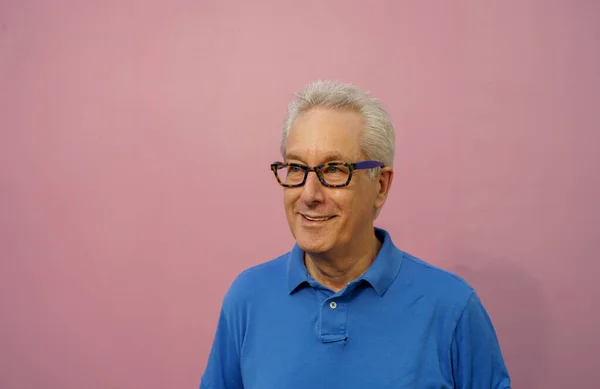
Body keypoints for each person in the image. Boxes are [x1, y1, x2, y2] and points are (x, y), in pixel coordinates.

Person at [199, 80, 511, 389]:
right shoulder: (247, 298)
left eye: (333, 169)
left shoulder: (452, 307)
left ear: (380, 185)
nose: (309, 194)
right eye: (296, 167)